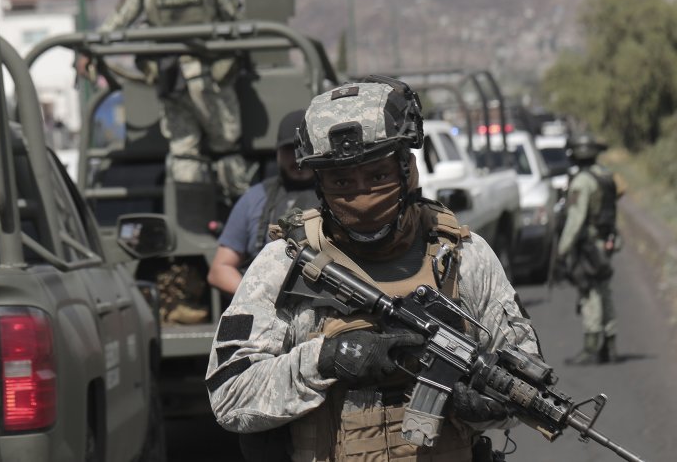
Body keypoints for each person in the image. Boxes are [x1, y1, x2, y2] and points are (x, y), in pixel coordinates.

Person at [206, 77, 541, 462]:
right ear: (320, 184)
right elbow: (230, 396)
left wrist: (486, 406)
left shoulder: (463, 257)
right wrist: (327, 357)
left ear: (407, 170)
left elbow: (524, 381)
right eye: (342, 181)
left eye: (378, 176)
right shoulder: (284, 264)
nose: (361, 196)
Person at [93, 0, 249, 200]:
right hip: (210, 78)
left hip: (169, 77)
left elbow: (115, 23)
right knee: (226, 145)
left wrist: (88, 51)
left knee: (183, 149)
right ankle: (241, 210)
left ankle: (190, 217)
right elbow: (238, 22)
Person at [208, 109, 317, 295]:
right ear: (277, 154)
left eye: (305, 149)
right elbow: (219, 269)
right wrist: (257, 298)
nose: (298, 158)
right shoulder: (254, 197)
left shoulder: (340, 197)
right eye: (290, 150)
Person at [556, 133, 622, 365]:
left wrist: (562, 250)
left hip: (589, 246)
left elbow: (575, 220)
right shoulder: (606, 175)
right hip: (606, 241)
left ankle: (592, 347)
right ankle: (610, 344)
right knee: (604, 290)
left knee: (590, 293)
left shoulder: (582, 181)